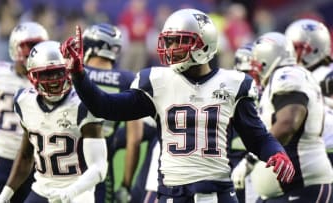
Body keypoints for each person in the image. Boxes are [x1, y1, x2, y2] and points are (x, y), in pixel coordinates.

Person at [62, 8, 295, 203]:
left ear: (204, 44)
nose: (171, 48)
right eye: (169, 41)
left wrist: (276, 152)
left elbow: (258, 137)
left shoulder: (234, 84)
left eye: (180, 42)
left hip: (218, 194)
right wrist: (79, 75)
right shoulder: (157, 81)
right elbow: (106, 107)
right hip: (172, 194)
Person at [0, 40, 108, 203]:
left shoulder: (83, 104)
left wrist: (70, 192)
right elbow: (26, 156)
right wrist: (4, 196)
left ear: (68, 71)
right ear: (33, 76)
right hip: (42, 189)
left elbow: (99, 168)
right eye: (46, 74)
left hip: (78, 192)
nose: (53, 80)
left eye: (58, 72)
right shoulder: (24, 101)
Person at [247, 32, 333, 202]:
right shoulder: (284, 78)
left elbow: (288, 123)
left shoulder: (286, 75)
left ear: (268, 60)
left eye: (258, 65)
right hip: (286, 189)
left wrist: (252, 157)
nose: (256, 70)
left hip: (302, 185)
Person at [0, 21, 48, 203]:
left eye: (38, 46)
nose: (34, 51)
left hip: (36, 162)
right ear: (16, 47)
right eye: (30, 45)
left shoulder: (49, 78)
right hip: (2, 158)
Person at [81, 23, 144, 203]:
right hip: (101, 166)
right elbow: (135, 139)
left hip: (67, 163)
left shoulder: (76, 74)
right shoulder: (127, 80)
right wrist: (126, 184)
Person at [285, 18, 333, 164]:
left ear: (314, 48)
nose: (290, 53)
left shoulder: (326, 76)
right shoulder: (298, 75)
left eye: (295, 48)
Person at [230, 42, 260, 203]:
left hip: (259, 163)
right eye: (246, 73)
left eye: (253, 73)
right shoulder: (226, 94)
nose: (250, 79)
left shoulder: (271, 96)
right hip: (229, 162)